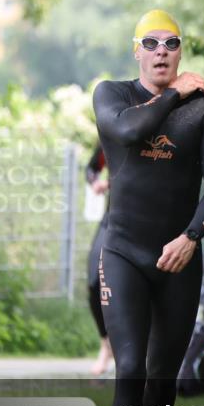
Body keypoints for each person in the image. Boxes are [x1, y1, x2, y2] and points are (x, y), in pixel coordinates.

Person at [93, 9, 204, 406]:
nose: (160, 51)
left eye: (170, 43)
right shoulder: (112, 94)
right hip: (124, 252)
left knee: (161, 379)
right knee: (129, 368)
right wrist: (174, 94)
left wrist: (192, 237)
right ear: (137, 50)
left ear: (181, 51)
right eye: (150, 42)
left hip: (178, 257)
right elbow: (130, 132)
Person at [84, 143, 114, 375]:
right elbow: (92, 168)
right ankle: (106, 345)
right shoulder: (109, 135)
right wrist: (96, 183)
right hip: (111, 220)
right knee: (94, 281)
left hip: (144, 221)